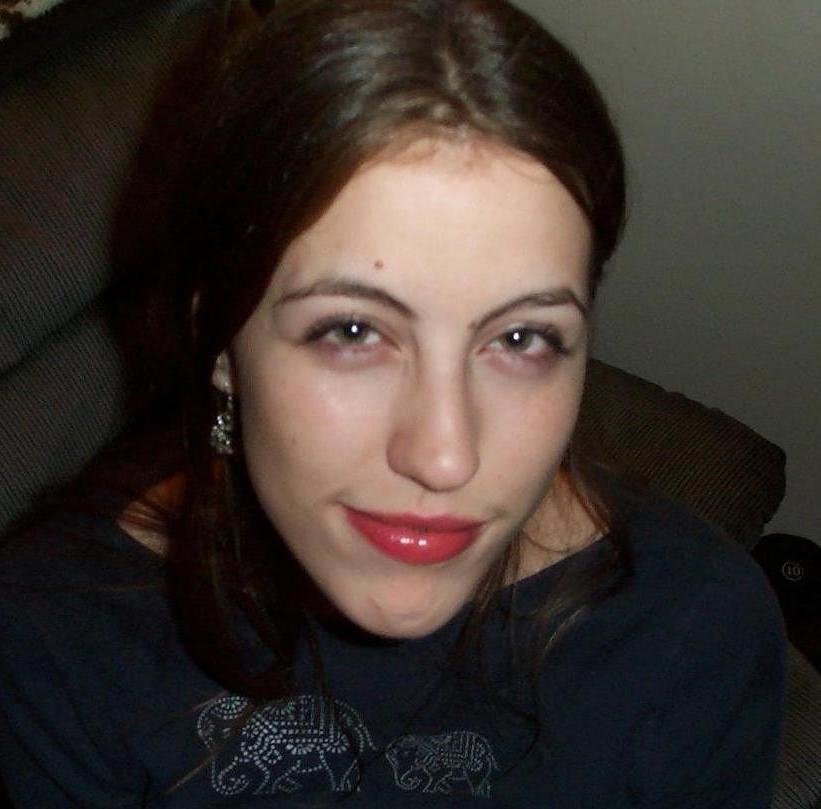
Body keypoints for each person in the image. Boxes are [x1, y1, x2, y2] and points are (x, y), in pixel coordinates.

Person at [0, 0, 785, 806]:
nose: (444, 456)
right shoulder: (53, 643)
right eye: (351, 331)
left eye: (521, 338)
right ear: (221, 342)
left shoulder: (694, 629)